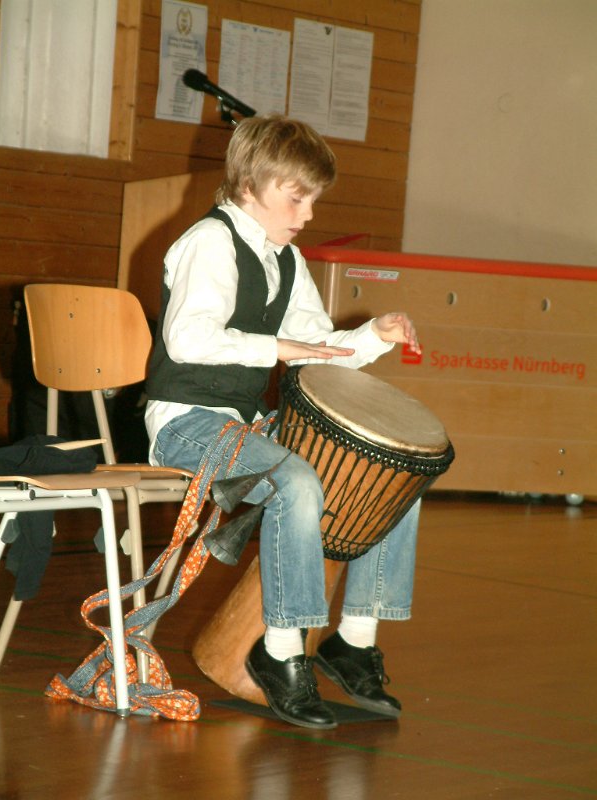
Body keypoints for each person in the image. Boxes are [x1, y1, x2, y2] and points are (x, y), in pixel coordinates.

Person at [145, 115, 422, 730]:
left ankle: (352, 638)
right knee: (297, 480)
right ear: (250, 183)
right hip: (184, 422)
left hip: (244, 424)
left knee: (391, 473)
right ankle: (282, 651)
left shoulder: (287, 260)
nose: (308, 213)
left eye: (313, 199)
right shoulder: (208, 244)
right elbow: (188, 340)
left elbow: (317, 347)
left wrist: (373, 336)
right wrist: (276, 349)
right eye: (296, 197)